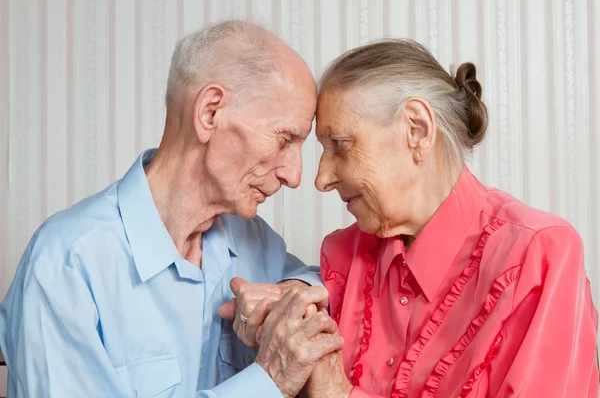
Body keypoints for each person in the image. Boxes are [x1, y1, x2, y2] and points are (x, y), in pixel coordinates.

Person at [232, 39, 599, 397]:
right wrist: (284, 310)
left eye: (340, 144)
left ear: (417, 130)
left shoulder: (539, 255)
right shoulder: (342, 254)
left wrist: (337, 392)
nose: (321, 178)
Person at [0, 21, 342, 398]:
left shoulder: (253, 240)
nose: (294, 175)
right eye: (285, 140)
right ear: (210, 113)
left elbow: (322, 283)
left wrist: (288, 295)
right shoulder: (65, 264)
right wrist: (268, 381)